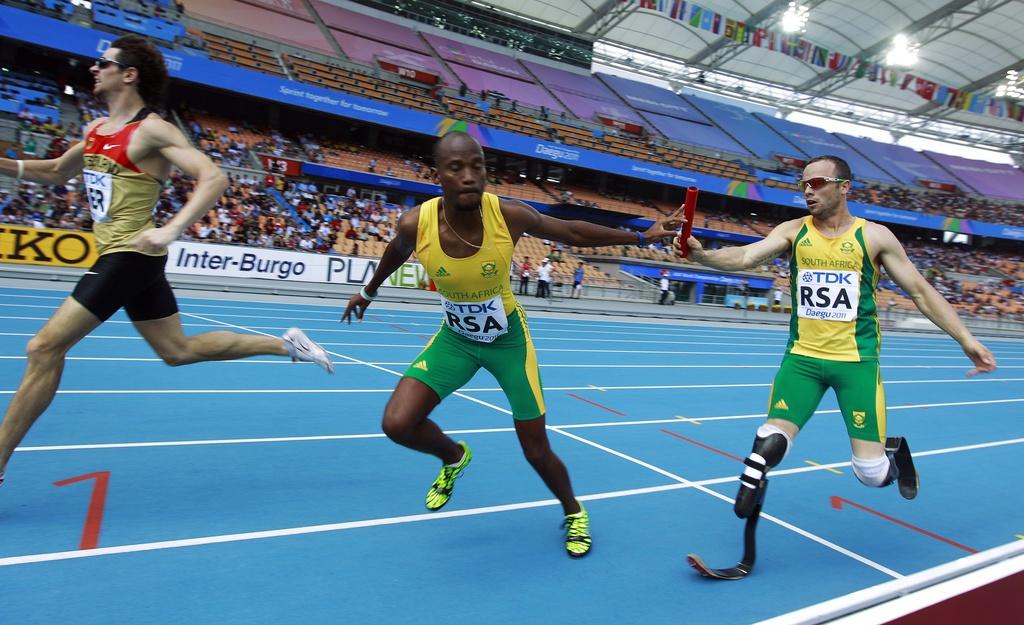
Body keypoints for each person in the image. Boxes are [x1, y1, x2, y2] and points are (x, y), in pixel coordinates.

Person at [0, 36, 334, 488]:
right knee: (178, 351)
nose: (94, 69)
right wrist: (7, 165)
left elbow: (214, 177)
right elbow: (57, 170)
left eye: (104, 63)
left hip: (132, 255)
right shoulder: (96, 129)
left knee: (44, 347)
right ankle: (288, 345)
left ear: (129, 74)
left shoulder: (151, 130)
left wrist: (171, 228)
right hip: (129, 259)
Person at [341, 131, 682, 557]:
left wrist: (642, 237)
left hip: (508, 343)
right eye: (456, 168)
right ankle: (453, 457)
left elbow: (572, 231)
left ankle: (574, 511)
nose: (469, 176)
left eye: (477, 166)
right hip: (456, 340)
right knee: (396, 424)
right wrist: (368, 291)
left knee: (535, 450)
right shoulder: (416, 223)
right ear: (438, 176)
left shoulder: (509, 215)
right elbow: (397, 249)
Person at [679, 155, 997, 519]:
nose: (807, 191)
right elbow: (747, 256)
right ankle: (752, 506)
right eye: (803, 185)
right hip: (802, 360)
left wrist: (966, 339)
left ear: (843, 187)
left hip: (856, 364)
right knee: (767, 440)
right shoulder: (793, 230)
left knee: (871, 474)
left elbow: (921, 292)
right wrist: (704, 257)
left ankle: (892, 453)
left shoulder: (874, 236)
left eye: (816, 183)